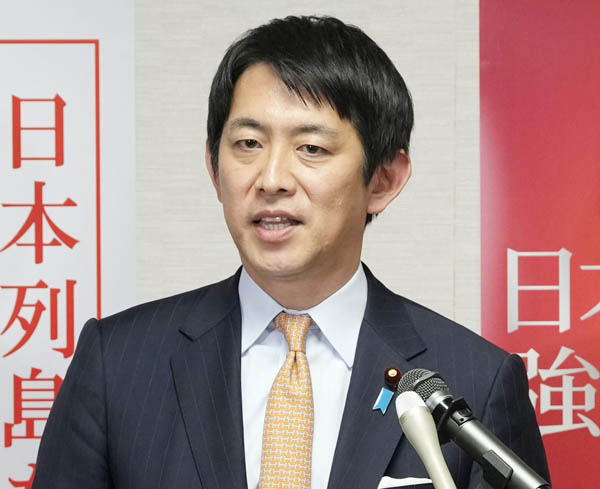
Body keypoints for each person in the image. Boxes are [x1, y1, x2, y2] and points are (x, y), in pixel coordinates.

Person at [33, 15, 549, 489]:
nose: (272, 179)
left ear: (383, 180)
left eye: (311, 148)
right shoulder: (117, 364)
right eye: (248, 144)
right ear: (213, 167)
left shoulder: (475, 382)